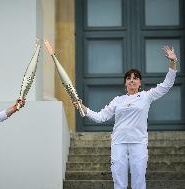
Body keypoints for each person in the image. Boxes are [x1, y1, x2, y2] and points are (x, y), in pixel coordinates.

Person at [76, 46, 178, 189]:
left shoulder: (146, 96)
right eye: (129, 78)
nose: (132, 80)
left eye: (135, 78)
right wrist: (84, 109)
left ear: (140, 83)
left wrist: (173, 62)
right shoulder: (118, 100)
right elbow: (100, 117)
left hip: (138, 144)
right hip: (119, 144)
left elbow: (166, 85)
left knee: (138, 182)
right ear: (125, 82)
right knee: (119, 183)